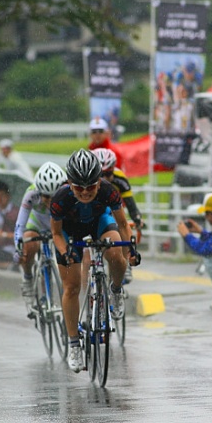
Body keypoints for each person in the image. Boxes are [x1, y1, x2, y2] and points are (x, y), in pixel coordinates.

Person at [50, 149, 139, 372]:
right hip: (70, 233)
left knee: (116, 255)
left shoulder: (109, 191)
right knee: (71, 287)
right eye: (79, 187)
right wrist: (66, 251)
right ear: (70, 183)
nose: (86, 192)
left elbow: (122, 224)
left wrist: (130, 250)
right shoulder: (60, 199)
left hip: (99, 223)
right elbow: (56, 234)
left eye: (91, 186)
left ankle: (116, 290)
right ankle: (73, 345)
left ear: (99, 181)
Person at [14, 162, 68, 313]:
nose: (50, 200)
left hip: (58, 223)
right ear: (39, 191)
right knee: (29, 244)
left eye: (54, 196)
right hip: (36, 222)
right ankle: (28, 277)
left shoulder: (67, 191)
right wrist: (19, 246)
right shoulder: (31, 193)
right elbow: (20, 224)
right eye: (46, 196)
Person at [91, 147, 143, 283]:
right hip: (93, 210)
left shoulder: (120, 178)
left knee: (121, 226)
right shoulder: (88, 182)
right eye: (101, 175)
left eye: (108, 174)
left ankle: (124, 262)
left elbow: (130, 203)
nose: (105, 179)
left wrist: (137, 218)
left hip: (114, 208)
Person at [177, 193, 212, 311]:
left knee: (210, 260)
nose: (206, 217)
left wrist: (187, 235)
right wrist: (201, 232)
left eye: (207, 213)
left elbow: (205, 249)